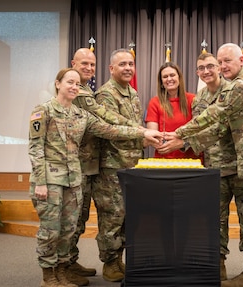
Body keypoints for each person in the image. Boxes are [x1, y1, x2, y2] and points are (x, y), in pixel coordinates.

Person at [164, 43, 243, 287]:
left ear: (241, 59)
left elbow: (217, 117)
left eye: (225, 62)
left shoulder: (242, 85)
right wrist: (184, 141)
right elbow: (215, 127)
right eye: (219, 62)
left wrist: (179, 136)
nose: (222, 67)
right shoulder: (217, 91)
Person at [28, 68, 161, 287]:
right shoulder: (43, 111)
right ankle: (48, 276)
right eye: (69, 82)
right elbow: (35, 149)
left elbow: (110, 130)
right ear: (58, 84)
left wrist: (143, 133)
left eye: (78, 84)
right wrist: (40, 182)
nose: (74, 87)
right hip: (50, 181)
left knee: (68, 231)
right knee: (50, 230)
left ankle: (61, 272)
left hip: (73, 181)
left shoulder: (81, 115)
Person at [157, 52, 243, 281]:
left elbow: (222, 126)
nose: (207, 71)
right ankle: (217, 265)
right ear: (197, 73)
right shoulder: (198, 99)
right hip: (214, 169)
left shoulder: (232, 90)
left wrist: (182, 138)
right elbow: (199, 129)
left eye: (211, 66)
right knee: (215, 222)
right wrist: (183, 140)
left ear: (219, 68)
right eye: (201, 68)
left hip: (240, 166)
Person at [69, 48, 127, 285]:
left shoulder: (86, 90)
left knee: (80, 218)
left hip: (91, 165)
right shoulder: (78, 92)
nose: (89, 68)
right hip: (77, 167)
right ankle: (66, 265)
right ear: (73, 63)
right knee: (74, 219)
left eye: (92, 65)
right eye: (84, 63)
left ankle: (70, 262)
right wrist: (140, 131)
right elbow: (104, 119)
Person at [92, 49, 146, 282]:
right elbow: (112, 131)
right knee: (112, 216)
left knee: (128, 215)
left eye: (131, 64)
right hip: (112, 167)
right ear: (111, 68)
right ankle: (110, 262)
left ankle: (120, 259)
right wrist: (144, 133)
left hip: (132, 166)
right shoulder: (105, 94)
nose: (127, 68)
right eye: (122, 64)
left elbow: (134, 128)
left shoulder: (132, 93)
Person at [145, 62, 200, 159]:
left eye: (172, 75)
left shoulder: (194, 99)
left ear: (179, 78)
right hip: (164, 161)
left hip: (191, 160)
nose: (169, 79)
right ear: (161, 82)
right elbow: (153, 135)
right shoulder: (154, 102)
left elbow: (200, 131)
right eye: (165, 77)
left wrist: (181, 143)